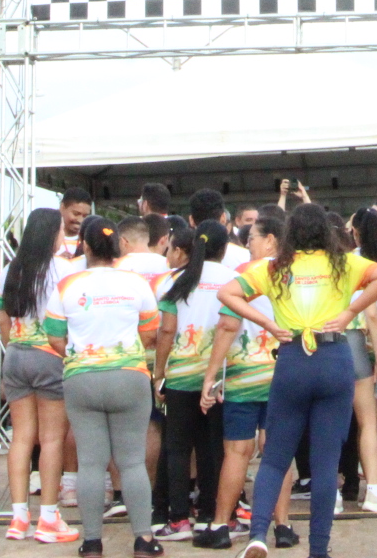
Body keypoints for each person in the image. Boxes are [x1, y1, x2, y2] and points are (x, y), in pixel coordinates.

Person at [217, 203, 377, 558]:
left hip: (293, 358)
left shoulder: (273, 267)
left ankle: (257, 535)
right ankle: (319, 550)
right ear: (326, 232)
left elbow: (227, 293)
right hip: (334, 358)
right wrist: (350, 311)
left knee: (274, 458)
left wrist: (267, 324)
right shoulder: (344, 263)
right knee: (326, 464)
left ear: (289, 234)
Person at [44, 216, 162, 557]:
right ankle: (144, 540)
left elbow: (54, 336)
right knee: (132, 462)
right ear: (118, 246)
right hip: (129, 377)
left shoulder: (67, 285)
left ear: (85, 246)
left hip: (82, 379)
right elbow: (150, 332)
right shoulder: (136, 283)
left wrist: (80, 356)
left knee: (91, 463)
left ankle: (92, 542)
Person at [199, 214, 299, 550]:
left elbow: (228, 326)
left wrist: (211, 375)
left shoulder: (244, 275)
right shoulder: (295, 274)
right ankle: (283, 526)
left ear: (270, 240)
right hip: (284, 374)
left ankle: (220, 525)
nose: (247, 244)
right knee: (278, 451)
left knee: (237, 451)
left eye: (252, 237)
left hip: (244, 376)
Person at [0, 208, 74, 543]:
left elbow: (3, 317)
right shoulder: (64, 269)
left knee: (21, 437)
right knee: (52, 439)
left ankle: (18, 518)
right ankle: (48, 516)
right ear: (52, 234)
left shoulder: (10, 269)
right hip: (50, 356)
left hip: (15, 354)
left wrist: (13, 345)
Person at [155, 221, 233, 543]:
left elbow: (166, 330)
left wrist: (159, 372)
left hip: (181, 376)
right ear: (224, 249)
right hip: (219, 377)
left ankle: (178, 519)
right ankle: (208, 515)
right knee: (211, 448)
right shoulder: (234, 280)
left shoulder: (176, 281)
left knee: (177, 447)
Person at [344, 207, 377, 516]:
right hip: (358, 343)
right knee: (369, 420)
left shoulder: (343, 261)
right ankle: (375, 490)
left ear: (355, 233)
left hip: (327, 341)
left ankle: (333, 491)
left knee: (333, 421)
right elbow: (373, 314)